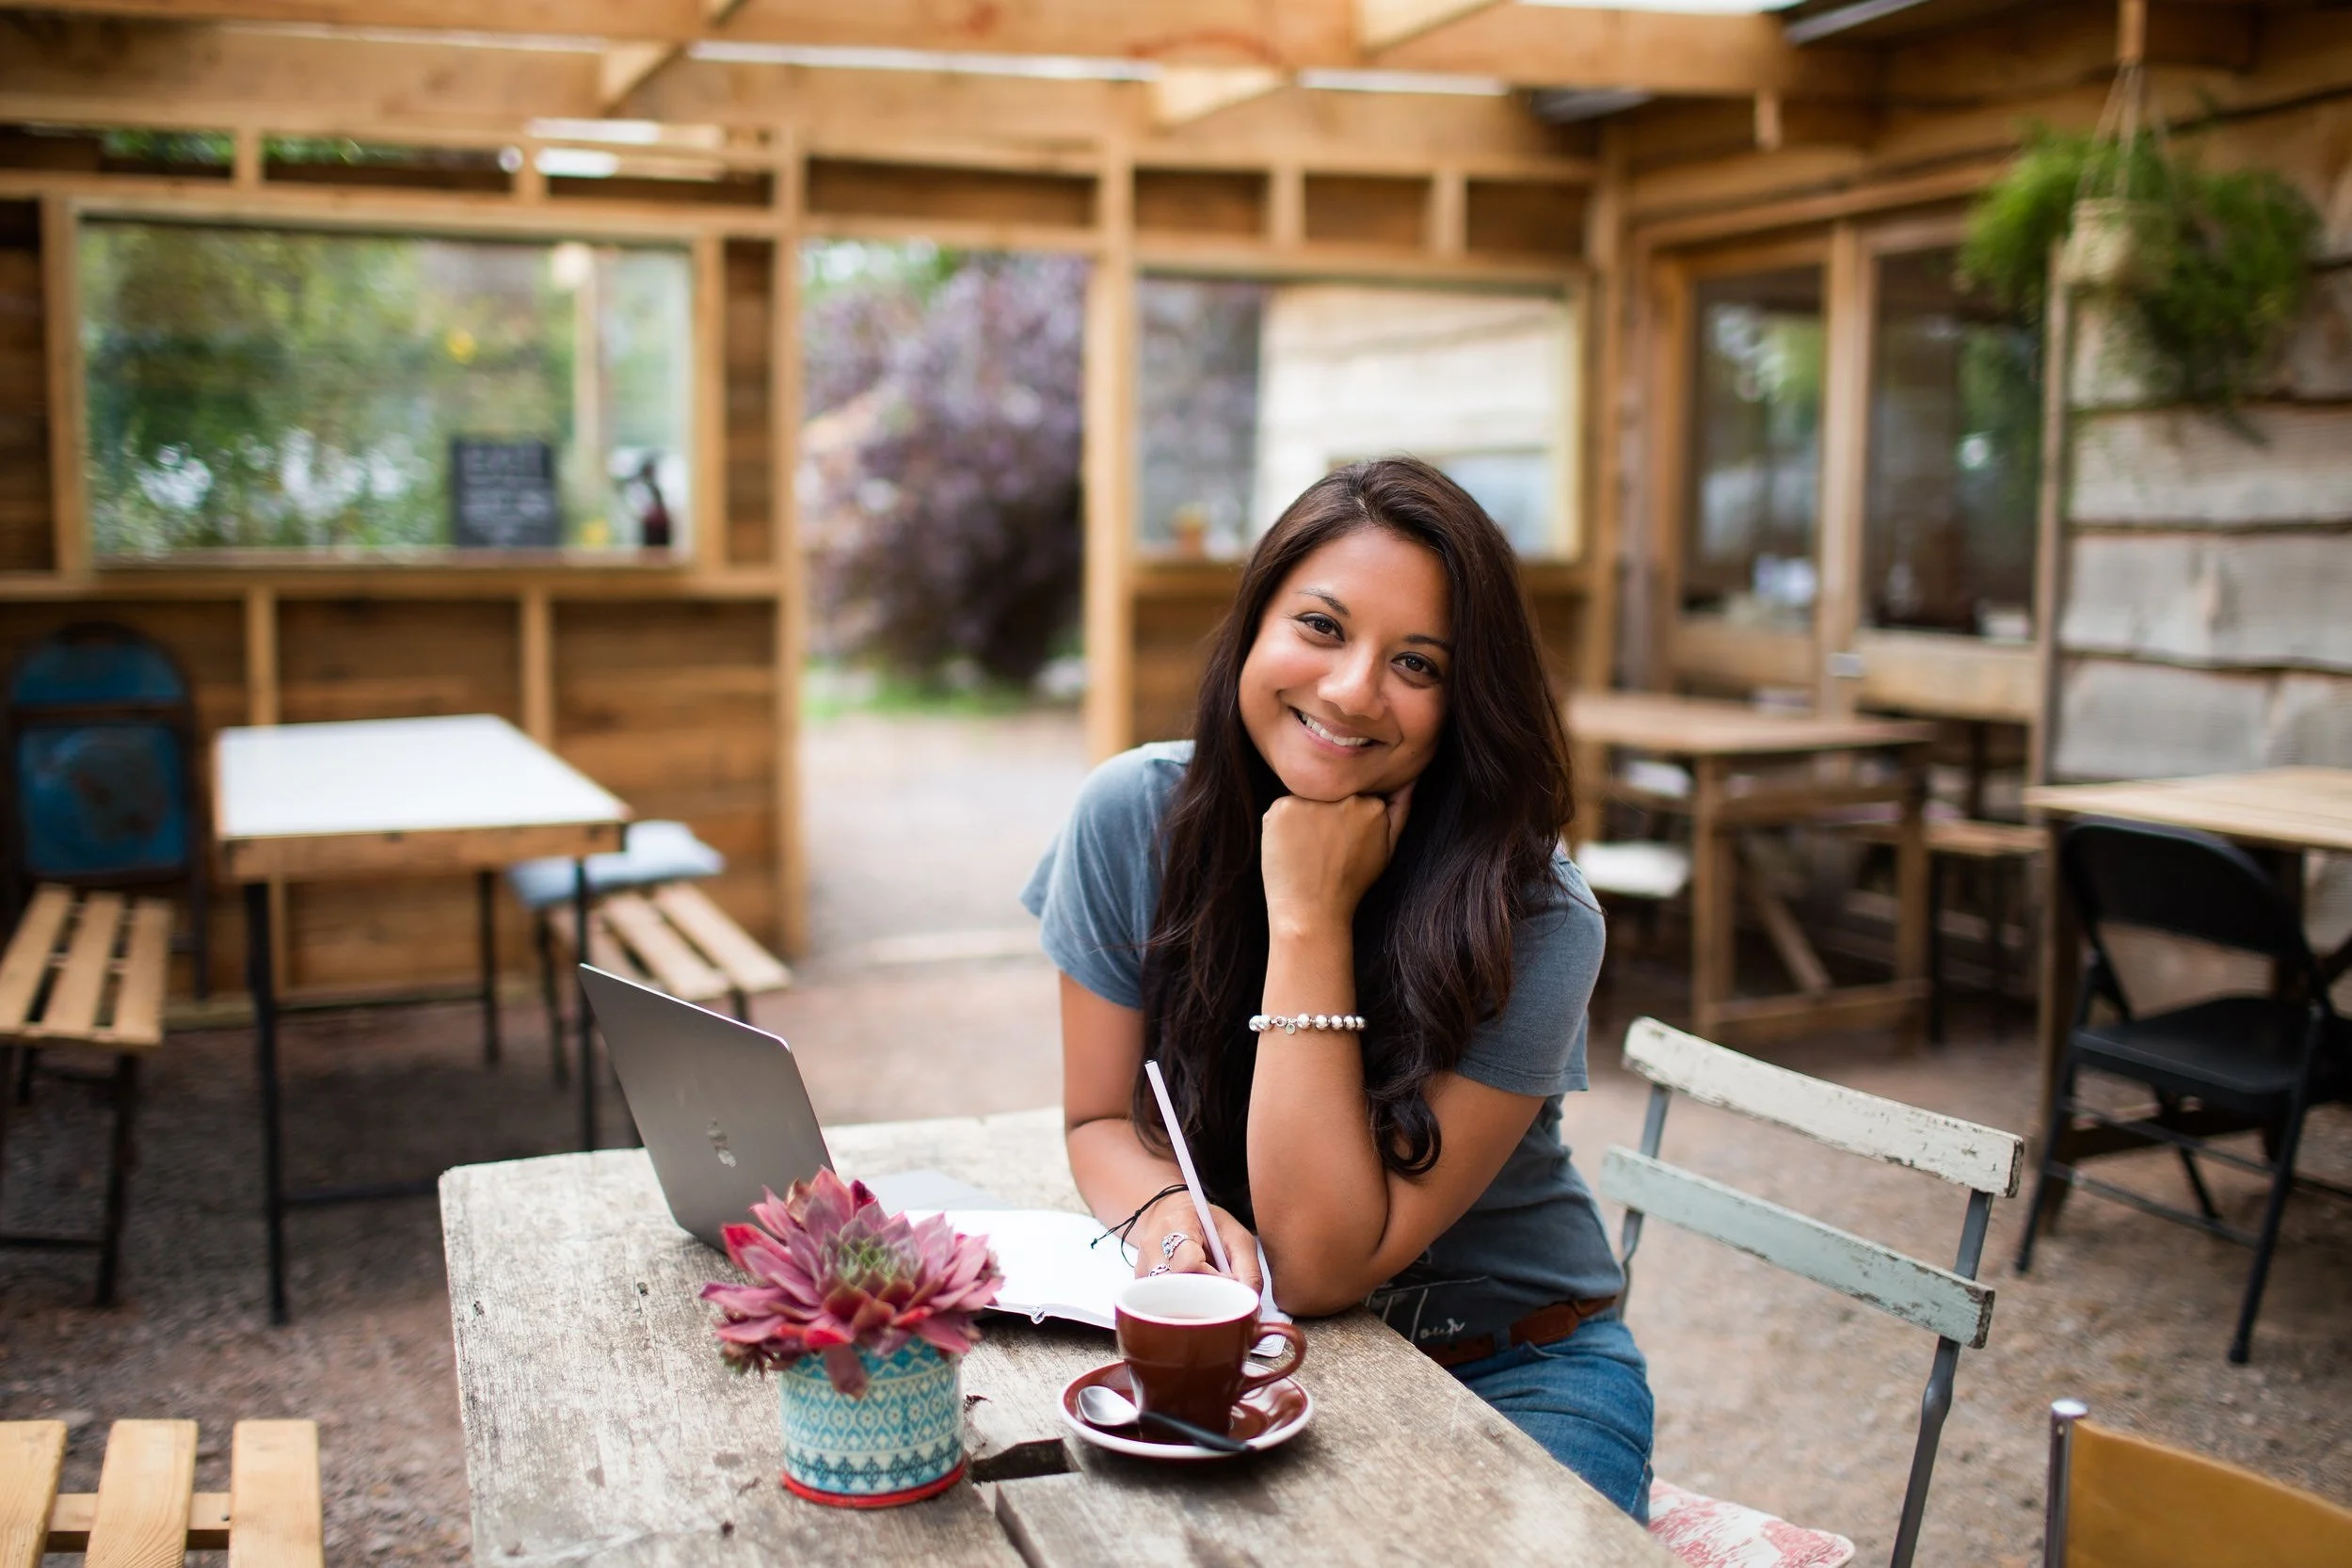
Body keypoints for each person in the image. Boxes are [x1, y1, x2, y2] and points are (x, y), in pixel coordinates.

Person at [1021, 456, 1651, 1516]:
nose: (1355, 688)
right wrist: (1170, 1217)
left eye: (1417, 662)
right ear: (1252, 629)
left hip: (1511, 1367)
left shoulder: (1537, 913)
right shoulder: (1132, 817)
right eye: (1320, 626)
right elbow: (1096, 1118)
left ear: (1465, 701)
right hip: (1251, 1358)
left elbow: (1318, 1264)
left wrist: (1308, 913)